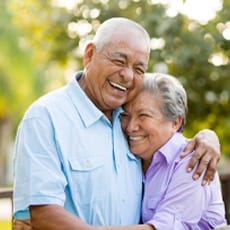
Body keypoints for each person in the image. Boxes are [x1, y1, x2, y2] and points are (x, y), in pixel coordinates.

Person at [13, 17, 221, 230]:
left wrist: (208, 137)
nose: (127, 75)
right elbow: (43, 216)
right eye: (119, 61)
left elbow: (169, 138)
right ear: (90, 54)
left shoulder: (128, 121)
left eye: (139, 69)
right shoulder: (45, 118)